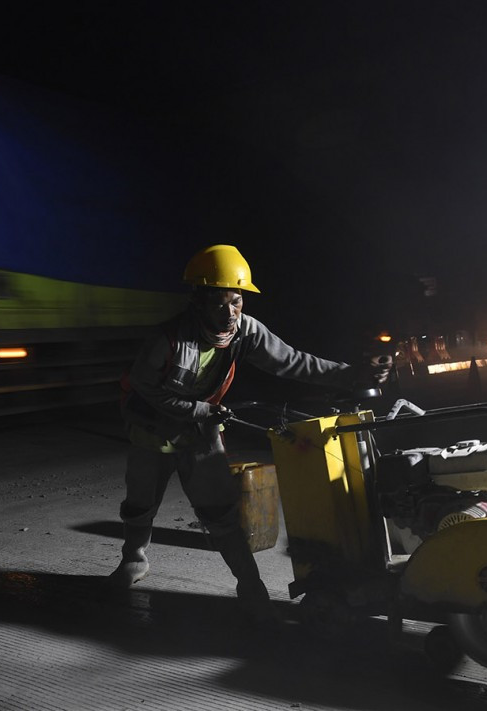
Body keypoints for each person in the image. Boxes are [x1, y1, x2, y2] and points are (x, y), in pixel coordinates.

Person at [111, 244, 390, 625]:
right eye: (219, 303)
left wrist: (351, 374)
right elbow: (146, 388)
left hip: (199, 433)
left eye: (237, 301)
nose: (229, 313)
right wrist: (200, 410)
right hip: (150, 428)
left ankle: (251, 587)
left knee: (221, 513)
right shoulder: (169, 338)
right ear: (198, 302)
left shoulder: (245, 331)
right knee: (140, 505)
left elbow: (292, 361)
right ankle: (134, 561)